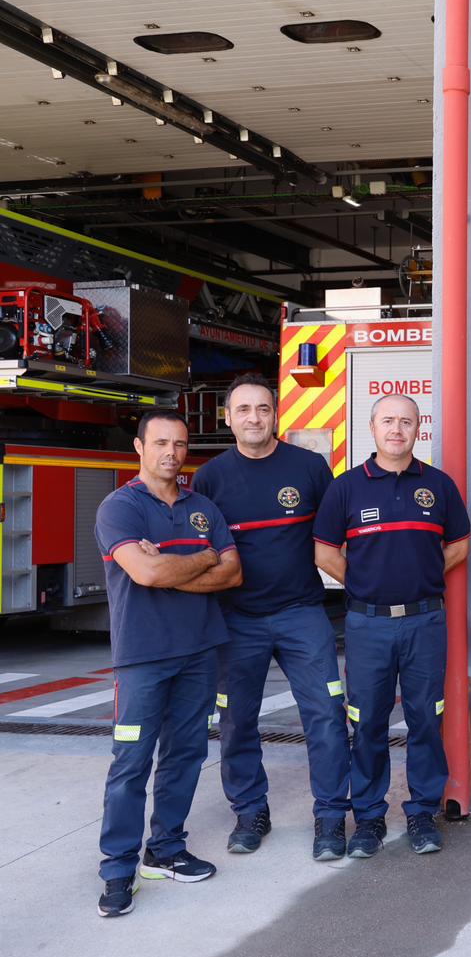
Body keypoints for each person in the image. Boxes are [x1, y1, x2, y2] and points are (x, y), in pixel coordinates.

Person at [193, 373, 350, 862]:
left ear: (276, 414)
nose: (254, 418)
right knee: (237, 721)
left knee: (326, 716)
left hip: (302, 613)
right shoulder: (210, 478)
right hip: (237, 620)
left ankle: (330, 817)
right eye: (243, 409)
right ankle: (249, 812)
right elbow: (202, 551)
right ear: (228, 418)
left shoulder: (309, 467)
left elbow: (336, 535)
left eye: (263, 408)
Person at [92, 410, 241, 918]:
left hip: (199, 651)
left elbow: (233, 574)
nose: (171, 453)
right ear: (139, 447)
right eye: (160, 443)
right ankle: (118, 870)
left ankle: (166, 850)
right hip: (143, 657)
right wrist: (203, 557)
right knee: (131, 762)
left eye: (179, 444)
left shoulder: (203, 507)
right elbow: (147, 573)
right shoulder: (119, 507)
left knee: (185, 755)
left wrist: (173, 565)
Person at [313, 394, 471, 858]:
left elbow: (460, 546)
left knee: (426, 719)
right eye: (388, 421)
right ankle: (368, 818)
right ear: (372, 427)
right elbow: (324, 552)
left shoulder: (438, 485)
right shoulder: (345, 488)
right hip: (368, 625)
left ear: (418, 429)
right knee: (367, 723)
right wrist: (365, 584)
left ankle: (422, 812)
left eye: (406, 421)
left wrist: (423, 575)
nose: (397, 429)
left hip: (425, 621)